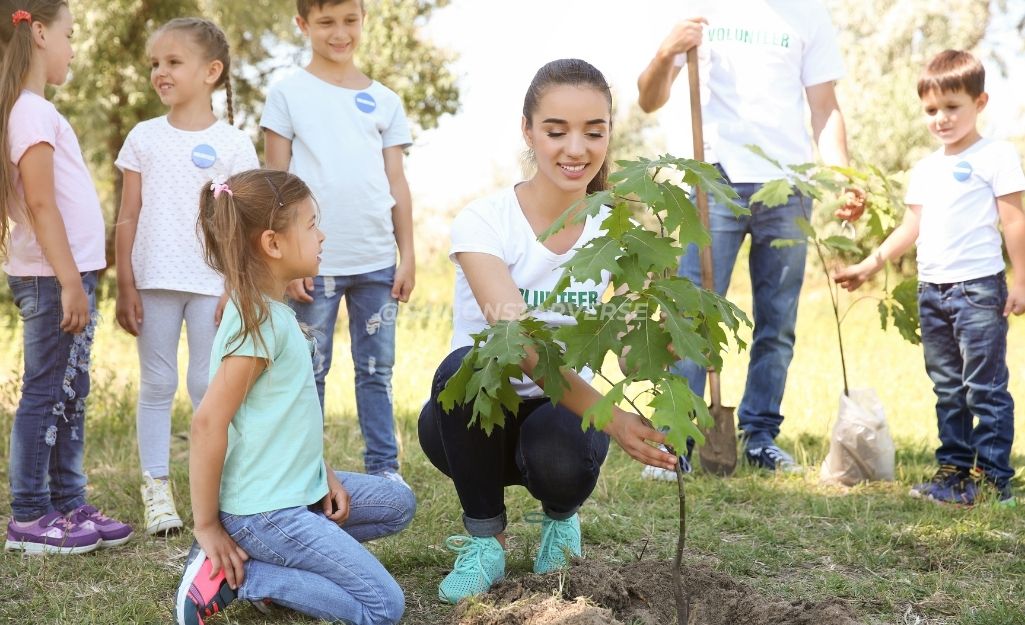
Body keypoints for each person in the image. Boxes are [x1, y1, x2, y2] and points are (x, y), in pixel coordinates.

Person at [418, 59, 678, 605]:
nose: (576, 149)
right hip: (477, 419)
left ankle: (560, 519)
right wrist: (615, 420)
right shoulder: (484, 222)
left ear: (610, 133)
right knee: (461, 369)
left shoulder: (618, 230)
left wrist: (663, 340)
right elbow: (515, 340)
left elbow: (631, 346)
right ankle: (484, 541)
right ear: (528, 131)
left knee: (559, 448)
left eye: (594, 131)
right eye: (557, 131)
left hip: (564, 419)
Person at [174, 169, 415, 625]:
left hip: (292, 489)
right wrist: (206, 525)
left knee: (396, 503)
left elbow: (284, 416)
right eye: (311, 224)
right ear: (273, 244)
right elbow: (208, 422)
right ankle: (243, 578)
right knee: (384, 607)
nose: (321, 234)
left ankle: (269, 556)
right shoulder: (259, 324)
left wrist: (320, 472)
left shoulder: (272, 313)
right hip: (266, 510)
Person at [637, 1, 864, 472]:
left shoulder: (808, 16)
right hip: (715, 177)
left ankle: (759, 437)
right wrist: (665, 53)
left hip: (789, 185)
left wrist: (842, 175)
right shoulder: (703, 11)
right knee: (691, 314)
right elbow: (648, 98)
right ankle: (675, 441)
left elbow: (825, 108)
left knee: (777, 321)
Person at [834, 50, 1023, 506]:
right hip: (931, 291)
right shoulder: (926, 168)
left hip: (978, 289)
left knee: (985, 386)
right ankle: (954, 474)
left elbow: (1014, 220)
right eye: (931, 111)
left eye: (952, 107)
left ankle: (995, 479)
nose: (941, 118)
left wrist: (1022, 280)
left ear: (980, 102)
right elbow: (910, 227)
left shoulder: (995, 155)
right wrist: (871, 263)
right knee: (947, 387)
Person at [114, 17, 259, 537]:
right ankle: (156, 489)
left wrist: (233, 285)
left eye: (173, 62)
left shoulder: (235, 145)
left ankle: (213, 490)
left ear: (211, 71)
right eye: (155, 63)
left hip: (211, 284)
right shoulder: (144, 137)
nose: (160, 72)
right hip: (152, 280)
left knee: (206, 383)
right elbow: (128, 212)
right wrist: (125, 282)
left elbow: (241, 224)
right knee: (157, 382)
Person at [261, 0, 414, 486]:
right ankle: (305, 472)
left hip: (376, 261)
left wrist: (406, 253)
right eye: (326, 22)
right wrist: (288, 260)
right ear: (303, 25)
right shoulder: (287, 95)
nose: (339, 32)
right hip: (313, 263)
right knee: (309, 371)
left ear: (364, 21)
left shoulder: (385, 100)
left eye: (349, 20)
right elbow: (275, 183)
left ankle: (384, 470)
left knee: (376, 371)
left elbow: (397, 180)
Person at [1, 0, 133, 554]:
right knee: (46, 391)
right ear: (37, 35)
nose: (74, 48)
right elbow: (40, 202)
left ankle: (68, 501)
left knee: (69, 392)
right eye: (70, 34)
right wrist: (69, 281)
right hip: (55, 279)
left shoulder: (38, 110)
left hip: (68, 275)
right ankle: (30, 515)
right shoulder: (29, 111)